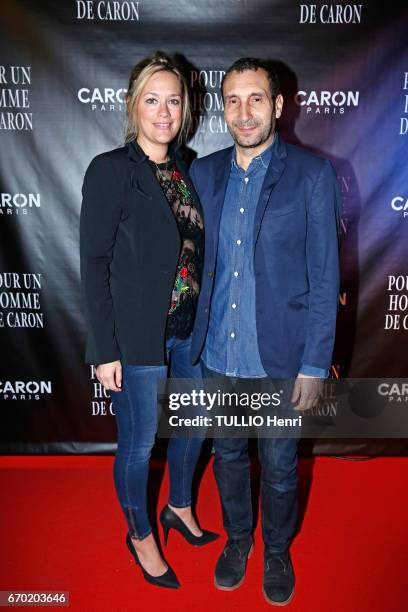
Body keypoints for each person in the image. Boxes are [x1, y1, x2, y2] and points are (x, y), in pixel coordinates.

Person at [189, 57, 340, 605]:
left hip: (280, 357)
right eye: (233, 100)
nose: (244, 112)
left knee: (278, 467)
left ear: (278, 105)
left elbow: (326, 278)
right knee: (227, 457)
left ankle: (276, 548)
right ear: (222, 108)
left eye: (256, 99)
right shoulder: (202, 174)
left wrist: (314, 364)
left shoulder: (311, 175)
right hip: (217, 354)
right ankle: (237, 540)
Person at [80, 51, 218, 590]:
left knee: (195, 425)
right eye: (152, 100)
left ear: (185, 110)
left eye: (174, 101)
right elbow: (94, 265)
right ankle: (139, 535)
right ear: (134, 105)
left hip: (187, 331)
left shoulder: (187, 167)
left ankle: (178, 507)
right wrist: (103, 348)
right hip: (136, 339)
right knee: (139, 444)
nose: (164, 112)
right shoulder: (111, 170)